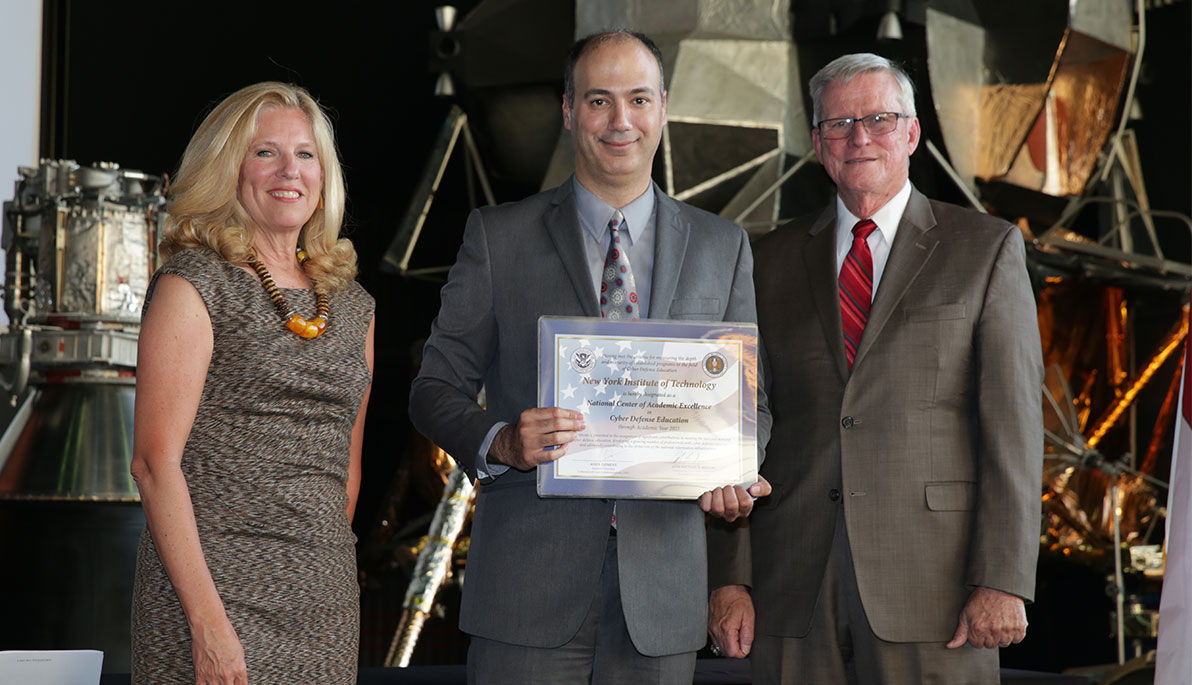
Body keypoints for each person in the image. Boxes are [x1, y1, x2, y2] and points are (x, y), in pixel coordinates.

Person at [409, 30, 771, 683]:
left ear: (663, 106)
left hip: (662, 593)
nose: (620, 120)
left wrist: (738, 470)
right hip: (525, 589)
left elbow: (752, 403)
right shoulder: (498, 237)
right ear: (570, 110)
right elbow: (433, 386)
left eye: (637, 98)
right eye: (599, 100)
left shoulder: (725, 246)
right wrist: (500, 440)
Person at [707, 53, 1043, 684]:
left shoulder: (985, 248)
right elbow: (738, 427)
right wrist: (729, 576)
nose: (858, 137)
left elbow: (1015, 429)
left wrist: (1003, 578)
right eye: (838, 124)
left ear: (912, 134)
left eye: (879, 119)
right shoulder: (762, 259)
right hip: (790, 586)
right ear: (816, 144)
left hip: (938, 590)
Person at [129, 82, 374, 684]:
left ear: (325, 175)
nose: (290, 169)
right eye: (266, 152)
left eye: (306, 154)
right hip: (210, 600)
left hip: (324, 605)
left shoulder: (355, 306)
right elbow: (154, 465)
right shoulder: (194, 285)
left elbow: (346, 473)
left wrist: (318, 573)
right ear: (228, 169)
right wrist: (208, 625)